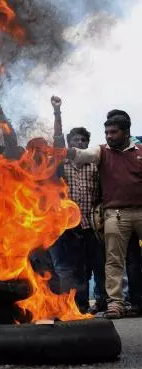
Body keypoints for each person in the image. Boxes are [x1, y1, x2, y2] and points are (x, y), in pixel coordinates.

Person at [66, 110, 142, 319]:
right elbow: (82, 155)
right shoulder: (101, 152)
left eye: (113, 132)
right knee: (114, 260)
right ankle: (115, 304)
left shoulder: (139, 152)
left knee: (133, 261)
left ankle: (135, 302)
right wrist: (64, 152)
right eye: (106, 132)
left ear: (126, 132)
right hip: (115, 215)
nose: (109, 136)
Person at [48, 96, 106, 314]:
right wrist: (57, 112)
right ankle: (74, 307)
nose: (80, 144)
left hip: (90, 225)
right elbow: (56, 140)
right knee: (71, 269)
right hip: (69, 227)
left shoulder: (94, 167)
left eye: (84, 141)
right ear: (69, 143)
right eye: (76, 140)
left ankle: (96, 303)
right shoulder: (61, 164)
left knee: (94, 267)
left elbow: (100, 195)